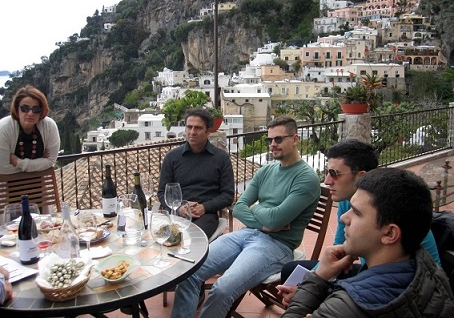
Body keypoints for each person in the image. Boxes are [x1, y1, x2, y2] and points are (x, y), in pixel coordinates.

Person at [170, 116, 321, 318]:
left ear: (295, 139)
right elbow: (239, 207)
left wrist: (260, 211)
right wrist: (266, 218)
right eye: (269, 140)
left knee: (222, 289)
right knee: (189, 272)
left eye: (278, 139)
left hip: (277, 246)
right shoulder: (266, 170)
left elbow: (274, 220)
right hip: (246, 234)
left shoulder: (306, 178)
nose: (272, 145)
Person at [277, 139, 440, 306]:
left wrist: (310, 289)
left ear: (361, 176)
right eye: (326, 172)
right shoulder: (347, 203)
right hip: (371, 270)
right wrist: (310, 282)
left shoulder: (390, 210)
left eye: (334, 173)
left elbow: (416, 285)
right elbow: (339, 248)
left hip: (403, 287)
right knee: (290, 270)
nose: (326, 181)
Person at [158, 108, 234, 239]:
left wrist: (204, 207)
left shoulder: (221, 158)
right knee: (164, 237)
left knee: (191, 239)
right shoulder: (172, 157)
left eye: (198, 128)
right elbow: (162, 192)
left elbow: (228, 195)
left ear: (208, 131)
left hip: (205, 215)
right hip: (178, 213)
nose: (192, 132)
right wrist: (179, 208)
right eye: (189, 127)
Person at [0, 85, 60, 174]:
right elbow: (3, 168)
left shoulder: (49, 126)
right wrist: (39, 164)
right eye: (25, 108)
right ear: (17, 109)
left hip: (41, 184)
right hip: (9, 186)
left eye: (36, 109)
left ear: (41, 111)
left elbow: (50, 161)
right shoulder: (4, 128)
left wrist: (18, 162)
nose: (30, 113)